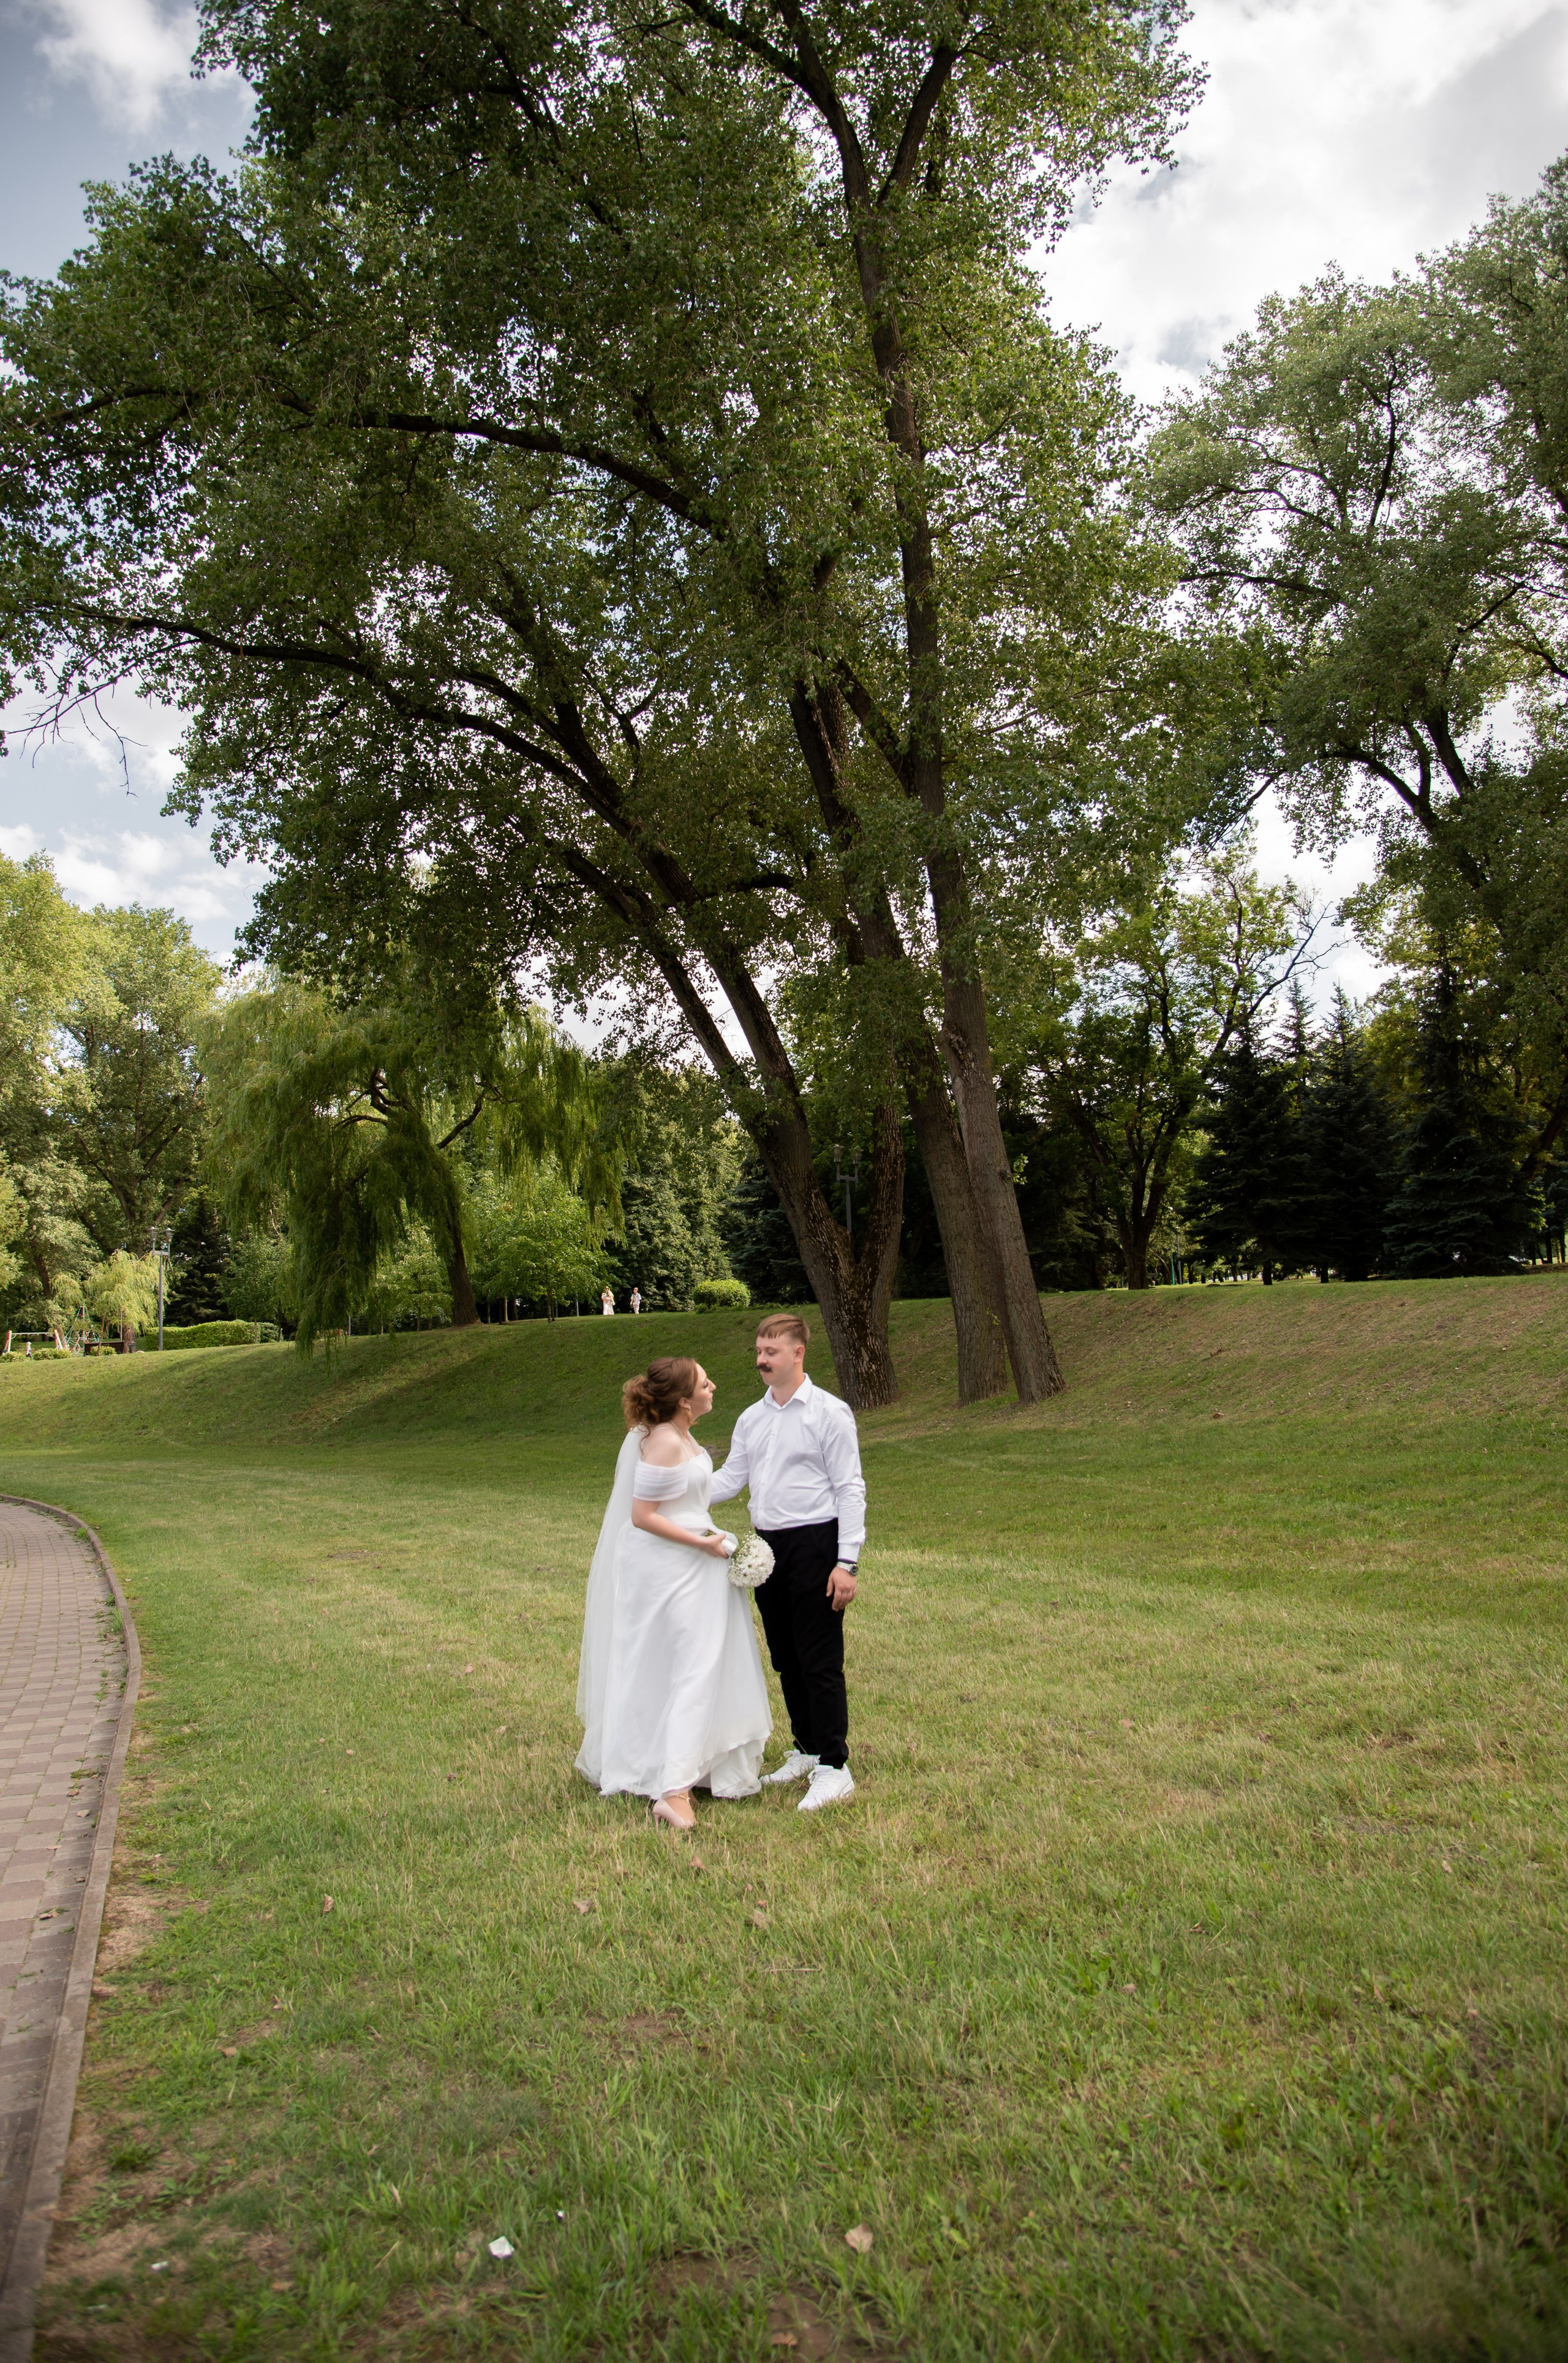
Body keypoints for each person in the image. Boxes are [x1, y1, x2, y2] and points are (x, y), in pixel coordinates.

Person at [576, 1355, 770, 1830]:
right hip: (670, 1568)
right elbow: (643, 1516)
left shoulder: (683, 1436)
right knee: (691, 1666)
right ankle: (673, 1791)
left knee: (696, 1664)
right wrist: (702, 1542)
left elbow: (691, 1495)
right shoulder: (663, 1440)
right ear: (684, 1401)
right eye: (704, 1383)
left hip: (696, 1560)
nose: (713, 1386)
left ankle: (690, 1766)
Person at [710, 1314, 862, 1812]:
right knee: (786, 1656)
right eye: (759, 1351)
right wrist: (676, 1490)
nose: (761, 1360)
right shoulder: (751, 1418)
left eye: (771, 1352)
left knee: (819, 1658)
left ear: (798, 1353)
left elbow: (850, 1488)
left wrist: (846, 1563)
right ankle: (807, 1747)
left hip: (816, 1544)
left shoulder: (829, 1412)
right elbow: (730, 1478)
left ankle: (835, 1767)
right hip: (767, 1549)